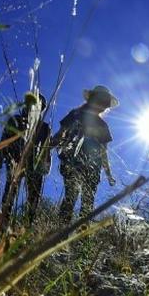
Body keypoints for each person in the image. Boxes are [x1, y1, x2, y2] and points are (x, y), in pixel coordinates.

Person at [52, 85, 118, 224]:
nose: (104, 106)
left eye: (106, 104)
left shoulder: (102, 125)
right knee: (72, 198)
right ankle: (59, 235)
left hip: (92, 168)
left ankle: (80, 239)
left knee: (86, 204)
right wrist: (47, 147)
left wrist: (109, 174)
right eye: (103, 102)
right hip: (72, 163)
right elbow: (60, 135)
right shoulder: (75, 115)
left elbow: (103, 151)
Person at [0, 92, 52, 224]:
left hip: (34, 164)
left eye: (39, 106)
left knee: (33, 197)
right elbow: (4, 139)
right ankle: (3, 222)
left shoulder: (44, 127)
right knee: (10, 192)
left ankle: (28, 225)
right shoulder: (15, 120)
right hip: (14, 159)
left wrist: (47, 163)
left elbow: (46, 148)